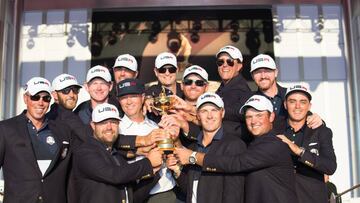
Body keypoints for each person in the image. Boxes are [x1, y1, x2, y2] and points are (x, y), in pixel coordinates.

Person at [175, 95, 298, 203]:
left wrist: (193, 157)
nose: (253, 121)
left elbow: (236, 163)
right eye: (249, 116)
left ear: (271, 117)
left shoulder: (273, 144)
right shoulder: (254, 143)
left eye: (259, 115)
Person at [0, 77, 73, 202]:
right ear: (25, 98)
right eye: (35, 97)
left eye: (46, 98)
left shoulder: (63, 131)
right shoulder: (6, 129)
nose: (41, 102)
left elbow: (70, 174)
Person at [73, 103, 163, 203]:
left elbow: (132, 198)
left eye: (113, 122)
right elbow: (114, 175)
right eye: (103, 122)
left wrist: (154, 172)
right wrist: (148, 163)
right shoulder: (85, 151)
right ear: (93, 126)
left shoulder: (117, 155)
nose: (109, 127)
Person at [167, 92, 246, 203]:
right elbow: (191, 191)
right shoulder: (194, 147)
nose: (209, 116)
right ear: (198, 115)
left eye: (214, 110)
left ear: (222, 113)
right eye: (204, 111)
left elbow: (234, 193)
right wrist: (177, 170)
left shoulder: (234, 145)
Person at [116, 78, 177, 203]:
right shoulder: (115, 129)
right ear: (118, 100)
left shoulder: (156, 126)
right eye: (123, 97)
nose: (128, 102)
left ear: (143, 97)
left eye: (133, 96)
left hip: (161, 193)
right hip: (130, 194)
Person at [276, 84, 337, 203]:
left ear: (309, 106)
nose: (297, 106)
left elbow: (330, 166)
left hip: (312, 197)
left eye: (303, 102)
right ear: (285, 104)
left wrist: (300, 151)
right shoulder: (275, 130)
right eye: (292, 101)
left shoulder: (322, 131)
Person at [250, 54, 322, 128]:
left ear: (276, 73)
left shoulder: (291, 94)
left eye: (267, 71)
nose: (263, 76)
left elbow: (304, 114)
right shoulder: (248, 101)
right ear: (252, 76)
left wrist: (317, 120)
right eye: (258, 72)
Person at [214, 45, 253, 139]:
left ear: (239, 66)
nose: (224, 65)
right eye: (220, 62)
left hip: (232, 146)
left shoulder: (242, 90)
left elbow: (239, 112)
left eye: (230, 61)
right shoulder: (221, 88)